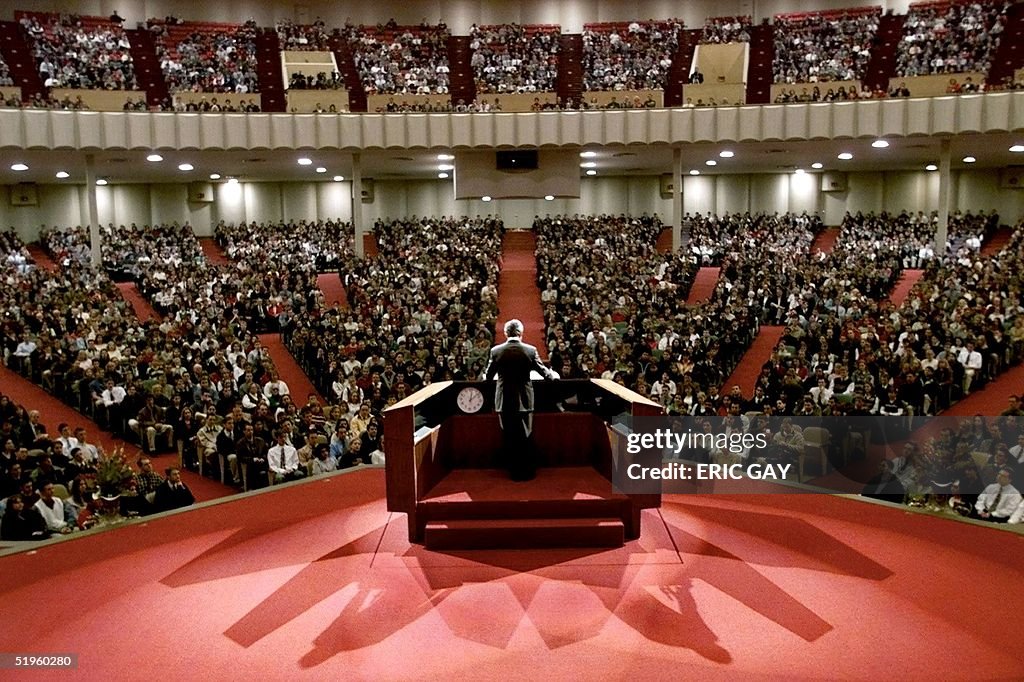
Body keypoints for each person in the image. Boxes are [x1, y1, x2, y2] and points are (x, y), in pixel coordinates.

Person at [484, 318, 557, 480]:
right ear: (521, 333)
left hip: (504, 401)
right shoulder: (530, 350)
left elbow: (488, 377)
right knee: (525, 436)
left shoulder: (496, 351)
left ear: (505, 333)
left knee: (509, 436)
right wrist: (553, 377)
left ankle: (512, 471)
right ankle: (527, 471)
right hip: (524, 400)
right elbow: (544, 373)